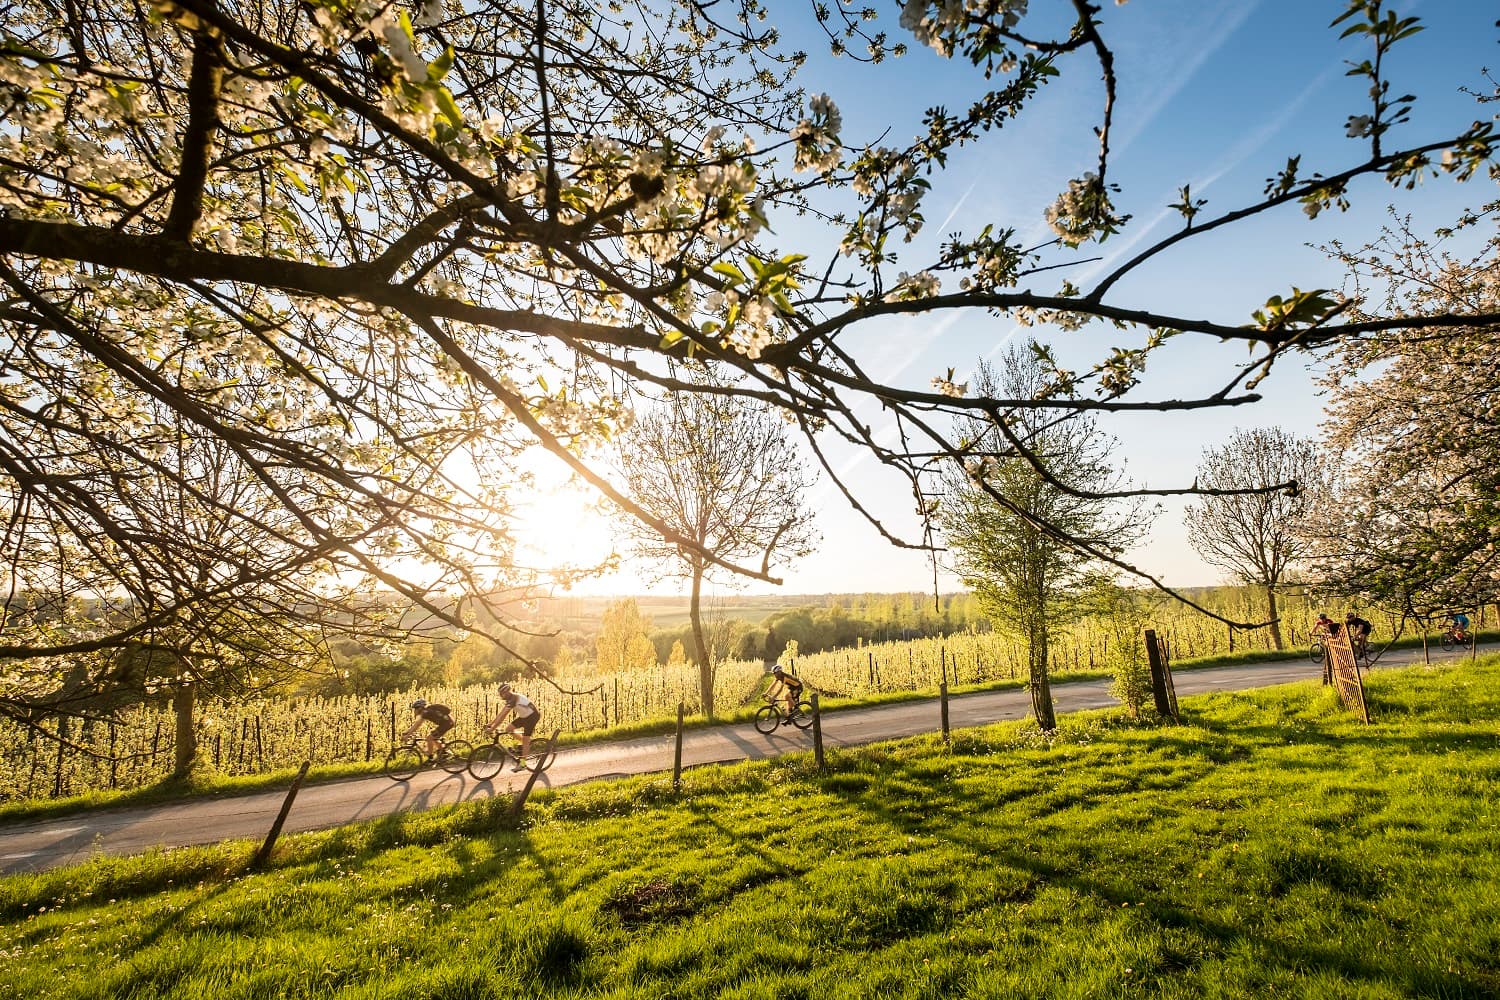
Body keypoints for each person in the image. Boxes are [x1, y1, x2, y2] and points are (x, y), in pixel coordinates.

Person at [485, 683, 541, 770]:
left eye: (501, 694)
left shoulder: (513, 699)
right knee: (509, 729)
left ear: (506, 692)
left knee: (525, 741)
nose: (501, 696)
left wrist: (492, 728)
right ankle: (527, 743)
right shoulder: (510, 698)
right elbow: (501, 713)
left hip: (532, 717)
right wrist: (491, 724)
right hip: (524, 716)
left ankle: (522, 764)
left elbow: (503, 716)